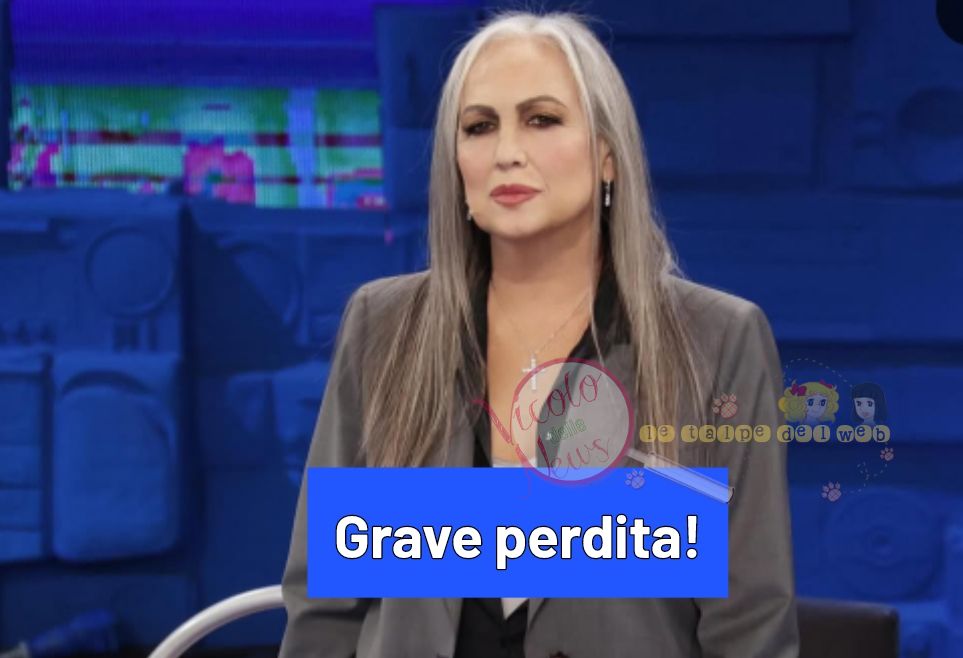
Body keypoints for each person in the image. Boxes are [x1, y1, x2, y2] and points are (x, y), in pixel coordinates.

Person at [280, 10, 799, 658]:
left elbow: (749, 625)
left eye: (541, 119)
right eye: (479, 127)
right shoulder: (384, 327)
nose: (506, 152)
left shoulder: (714, 341)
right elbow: (326, 607)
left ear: (606, 156)